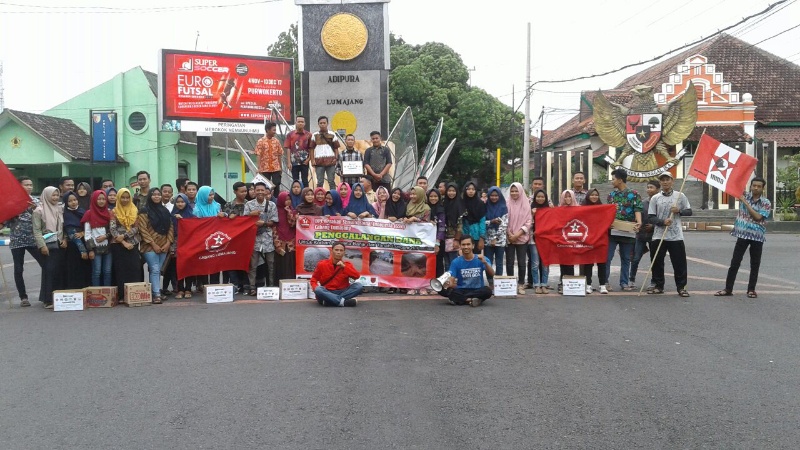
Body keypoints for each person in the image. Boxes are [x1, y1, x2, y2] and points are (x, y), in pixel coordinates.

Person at [717, 177, 771, 298]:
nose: (756, 188)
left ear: (763, 188)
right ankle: (728, 288)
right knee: (735, 262)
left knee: (755, 263)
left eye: (759, 186)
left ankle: (751, 289)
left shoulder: (766, 202)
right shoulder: (743, 195)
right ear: (750, 186)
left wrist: (745, 203)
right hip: (742, 235)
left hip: (757, 236)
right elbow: (732, 183)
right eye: (754, 185)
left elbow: (758, 217)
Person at [647, 172, 691, 296]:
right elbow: (651, 217)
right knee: (657, 262)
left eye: (667, 179)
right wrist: (662, 222)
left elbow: (689, 211)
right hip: (659, 235)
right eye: (663, 180)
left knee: (679, 262)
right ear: (660, 182)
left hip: (675, 235)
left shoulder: (680, 196)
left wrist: (679, 210)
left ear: (672, 181)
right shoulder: (655, 198)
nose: (665, 182)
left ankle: (681, 287)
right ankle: (658, 285)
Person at [3, 177, 45, 306]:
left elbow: (44, 219)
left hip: (33, 239)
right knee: (18, 269)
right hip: (17, 240)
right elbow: (5, 222)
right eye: (26, 185)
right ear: (19, 187)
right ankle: (23, 297)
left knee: (45, 264)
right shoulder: (11, 203)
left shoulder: (36, 202)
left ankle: (46, 294)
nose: (29, 187)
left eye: (31, 184)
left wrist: (34, 209)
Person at [605, 168, 643, 292]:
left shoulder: (634, 194)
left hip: (628, 230)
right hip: (613, 231)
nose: (612, 181)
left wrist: (639, 222)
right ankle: (604, 282)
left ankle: (624, 282)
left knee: (626, 258)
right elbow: (608, 212)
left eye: (613, 179)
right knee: (608, 257)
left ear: (620, 180)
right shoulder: (611, 195)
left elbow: (637, 208)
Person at [137, 188, 174, 304]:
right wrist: (153, 244)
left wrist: (168, 243)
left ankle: (155, 292)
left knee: (157, 269)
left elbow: (171, 227)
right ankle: (157, 294)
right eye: (154, 194)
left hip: (164, 245)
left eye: (158, 194)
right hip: (149, 246)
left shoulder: (165, 211)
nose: (157, 196)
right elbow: (142, 229)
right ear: (150, 196)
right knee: (154, 268)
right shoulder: (144, 211)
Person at [33, 186, 66, 308]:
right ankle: (48, 299)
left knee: (58, 271)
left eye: (57, 195)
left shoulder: (59, 208)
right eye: (53, 195)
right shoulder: (39, 211)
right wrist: (42, 246)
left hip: (59, 244)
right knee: (49, 271)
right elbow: (36, 231)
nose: (56, 197)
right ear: (46, 195)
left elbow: (62, 227)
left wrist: (64, 239)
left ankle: (58, 297)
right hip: (47, 245)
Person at [437, 236, 494, 307]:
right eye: (463, 245)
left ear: (473, 246)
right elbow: (452, 280)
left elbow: (492, 273)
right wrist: (448, 284)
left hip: (477, 289)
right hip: (461, 289)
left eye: (468, 244)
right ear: (460, 246)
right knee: (441, 289)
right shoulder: (455, 262)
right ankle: (472, 300)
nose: (466, 247)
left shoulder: (482, 258)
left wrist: (485, 263)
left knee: (488, 291)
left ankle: (461, 299)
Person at [244, 182, 278, 295]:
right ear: (254, 191)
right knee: (253, 265)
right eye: (257, 190)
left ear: (266, 191)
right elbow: (243, 222)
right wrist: (250, 215)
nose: (259, 192)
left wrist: (263, 223)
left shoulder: (272, 205)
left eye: (262, 190)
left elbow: (274, 222)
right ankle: (252, 287)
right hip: (254, 238)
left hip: (267, 238)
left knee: (271, 264)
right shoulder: (248, 205)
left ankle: (271, 286)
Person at [109, 188, 144, 298]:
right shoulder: (114, 211)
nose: (125, 199)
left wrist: (124, 236)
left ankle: (134, 294)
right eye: (122, 197)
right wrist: (123, 242)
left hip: (133, 243)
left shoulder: (134, 210)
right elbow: (112, 229)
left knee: (134, 268)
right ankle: (121, 296)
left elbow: (136, 228)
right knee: (120, 269)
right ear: (118, 198)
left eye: (127, 197)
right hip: (118, 245)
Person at [310, 242, 363, 307]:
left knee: (358, 286)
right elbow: (314, 279)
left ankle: (330, 301)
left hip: (343, 291)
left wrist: (344, 267)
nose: (338, 252)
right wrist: (314, 287)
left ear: (344, 252)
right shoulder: (322, 264)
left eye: (341, 250)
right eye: (336, 250)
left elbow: (356, 276)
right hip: (327, 291)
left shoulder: (347, 265)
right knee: (318, 289)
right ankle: (343, 302)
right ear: (332, 251)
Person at [629, 180, 660, 290]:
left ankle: (654, 281)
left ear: (657, 189)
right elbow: (637, 216)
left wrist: (653, 226)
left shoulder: (660, 202)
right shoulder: (643, 203)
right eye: (648, 187)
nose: (649, 189)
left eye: (651, 187)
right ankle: (631, 279)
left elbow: (662, 218)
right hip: (641, 235)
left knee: (654, 259)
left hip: (655, 235)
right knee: (636, 258)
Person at [81, 190, 113, 287]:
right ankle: (96, 294)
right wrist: (90, 250)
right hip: (95, 248)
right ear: (94, 200)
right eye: (99, 199)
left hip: (108, 248)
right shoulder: (89, 214)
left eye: (103, 199)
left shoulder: (109, 213)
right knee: (97, 272)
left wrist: (105, 236)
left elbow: (113, 230)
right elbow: (87, 234)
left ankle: (107, 293)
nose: (101, 201)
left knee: (107, 271)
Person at [504, 182, 531, 296]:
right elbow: (504, 219)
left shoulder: (526, 204)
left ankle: (520, 284)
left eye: (516, 191)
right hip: (509, 237)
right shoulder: (506, 203)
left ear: (520, 191)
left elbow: (529, 222)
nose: (514, 193)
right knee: (509, 262)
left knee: (521, 262)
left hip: (522, 237)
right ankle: (511, 284)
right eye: (512, 191)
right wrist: (509, 234)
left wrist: (517, 235)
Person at [581, 189, 609, 294]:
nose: (594, 197)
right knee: (588, 263)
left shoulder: (602, 208)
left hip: (601, 238)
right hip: (587, 239)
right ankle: (588, 285)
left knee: (602, 262)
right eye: (592, 195)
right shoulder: (582, 208)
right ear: (588, 196)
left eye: (596, 195)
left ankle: (602, 285)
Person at [223, 182, 249, 293]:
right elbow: (225, 220)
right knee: (231, 262)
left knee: (245, 262)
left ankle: (245, 285)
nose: (244, 193)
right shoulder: (229, 205)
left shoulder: (249, 204)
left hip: (245, 238)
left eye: (245, 191)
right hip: (232, 239)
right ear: (235, 191)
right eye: (241, 191)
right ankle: (235, 284)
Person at [62, 191, 91, 289]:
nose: (73, 202)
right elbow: (72, 234)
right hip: (74, 247)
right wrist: (82, 250)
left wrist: (83, 233)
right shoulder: (66, 214)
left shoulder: (82, 211)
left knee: (86, 269)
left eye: (75, 200)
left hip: (86, 243)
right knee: (75, 270)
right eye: (70, 201)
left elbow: (89, 228)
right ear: (66, 203)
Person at [171, 193, 195, 299]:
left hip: (189, 243)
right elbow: (170, 230)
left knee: (189, 266)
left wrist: (183, 221)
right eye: (178, 202)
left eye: (182, 202)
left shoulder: (191, 214)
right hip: (177, 243)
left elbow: (195, 228)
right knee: (178, 266)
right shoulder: (172, 215)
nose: (180, 204)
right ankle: (180, 289)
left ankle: (188, 289)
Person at [556, 189, 578, 294]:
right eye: (565, 196)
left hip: (574, 239)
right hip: (562, 239)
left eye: (570, 196)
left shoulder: (578, 209)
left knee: (570, 262)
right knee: (563, 262)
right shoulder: (558, 209)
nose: (568, 199)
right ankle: (562, 282)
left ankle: (570, 282)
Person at [530, 189, 551, 294]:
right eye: (538, 196)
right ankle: (536, 284)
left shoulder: (549, 209)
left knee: (545, 263)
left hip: (546, 240)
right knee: (535, 263)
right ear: (535, 198)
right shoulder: (531, 209)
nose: (540, 198)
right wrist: (532, 215)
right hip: (533, 239)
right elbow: (527, 223)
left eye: (542, 197)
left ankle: (544, 284)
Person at [484, 186, 508, 279]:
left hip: (500, 239)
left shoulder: (503, 207)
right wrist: (491, 221)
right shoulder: (485, 207)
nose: (494, 197)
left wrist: (495, 238)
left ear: (499, 196)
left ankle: (498, 282)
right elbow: (482, 222)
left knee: (499, 263)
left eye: (496, 195)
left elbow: (504, 224)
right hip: (487, 239)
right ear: (489, 196)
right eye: (492, 195)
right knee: (488, 262)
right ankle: (490, 282)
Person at [309, 116, 340, 189]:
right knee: (319, 182)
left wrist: (336, 158)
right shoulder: (314, 135)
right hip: (319, 162)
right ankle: (319, 198)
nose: (322, 124)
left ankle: (333, 197)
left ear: (327, 124)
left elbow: (336, 148)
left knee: (331, 181)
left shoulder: (332, 134)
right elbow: (311, 148)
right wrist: (312, 160)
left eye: (324, 123)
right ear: (318, 124)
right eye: (321, 123)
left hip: (331, 161)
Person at [255, 121, 284, 197]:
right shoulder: (260, 141)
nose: (275, 132)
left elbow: (279, 154)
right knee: (265, 185)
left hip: (276, 167)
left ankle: (276, 199)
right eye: (273, 130)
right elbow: (258, 154)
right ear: (268, 130)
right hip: (265, 168)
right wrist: (258, 168)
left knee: (277, 183)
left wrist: (280, 167)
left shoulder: (276, 141)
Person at [274, 192, 299, 281]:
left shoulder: (294, 211)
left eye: (289, 200)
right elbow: (274, 227)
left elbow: (292, 224)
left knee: (290, 265)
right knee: (281, 265)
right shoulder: (276, 211)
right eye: (285, 200)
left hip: (291, 242)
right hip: (280, 242)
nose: (288, 202)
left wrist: (288, 211)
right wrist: (277, 244)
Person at [284, 114, 313, 187]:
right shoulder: (290, 134)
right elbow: (288, 148)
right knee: (295, 180)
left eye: (302, 122)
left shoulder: (309, 135)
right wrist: (289, 162)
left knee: (305, 180)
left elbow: (311, 148)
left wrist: (308, 159)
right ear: (296, 123)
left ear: (304, 123)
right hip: (294, 162)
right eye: (299, 121)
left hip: (305, 162)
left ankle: (306, 195)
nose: (300, 123)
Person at [442, 182, 463, 269]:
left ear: (457, 192)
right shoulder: (444, 202)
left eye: (453, 191)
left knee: (453, 261)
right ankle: (447, 280)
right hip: (443, 237)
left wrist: (457, 239)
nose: (451, 193)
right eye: (449, 191)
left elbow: (460, 223)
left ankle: (454, 280)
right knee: (446, 262)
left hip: (453, 238)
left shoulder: (459, 204)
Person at [461, 182, 486, 251]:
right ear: (465, 190)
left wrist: (482, 238)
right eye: (468, 189)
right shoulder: (461, 203)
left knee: (475, 259)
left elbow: (482, 221)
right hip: (464, 236)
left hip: (476, 236)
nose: (471, 191)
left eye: (473, 189)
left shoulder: (480, 204)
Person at [428, 188, 447, 278]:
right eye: (431, 196)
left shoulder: (441, 210)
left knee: (438, 262)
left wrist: (437, 243)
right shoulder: (426, 208)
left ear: (439, 197)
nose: (433, 198)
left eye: (435, 196)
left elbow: (442, 227)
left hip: (438, 241)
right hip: (427, 240)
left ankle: (438, 284)